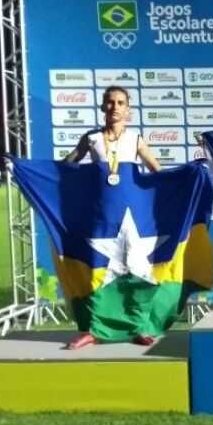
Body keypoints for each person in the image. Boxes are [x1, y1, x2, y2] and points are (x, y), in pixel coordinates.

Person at [61, 85, 162, 349]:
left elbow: (159, 173)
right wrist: (30, 171)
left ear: (128, 110)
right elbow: (64, 168)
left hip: (132, 220)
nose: (115, 107)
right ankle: (93, 330)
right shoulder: (91, 138)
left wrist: (189, 175)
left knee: (136, 274)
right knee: (97, 274)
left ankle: (137, 327)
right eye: (110, 102)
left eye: (120, 103)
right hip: (100, 218)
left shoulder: (136, 139)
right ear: (103, 107)